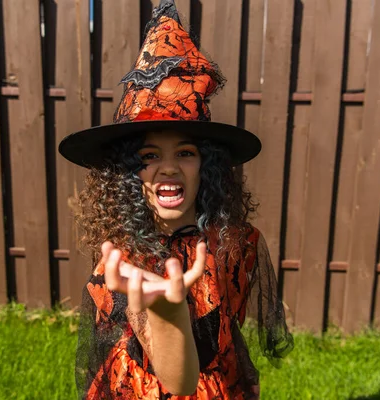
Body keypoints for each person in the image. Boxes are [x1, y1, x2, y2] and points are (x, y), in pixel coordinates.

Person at [59, 1, 293, 398]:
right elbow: (175, 382)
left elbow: (213, 356)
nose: (167, 168)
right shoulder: (123, 260)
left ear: (208, 166)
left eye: (185, 152)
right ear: (130, 175)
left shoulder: (236, 245)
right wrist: (164, 314)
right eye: (149, 157)